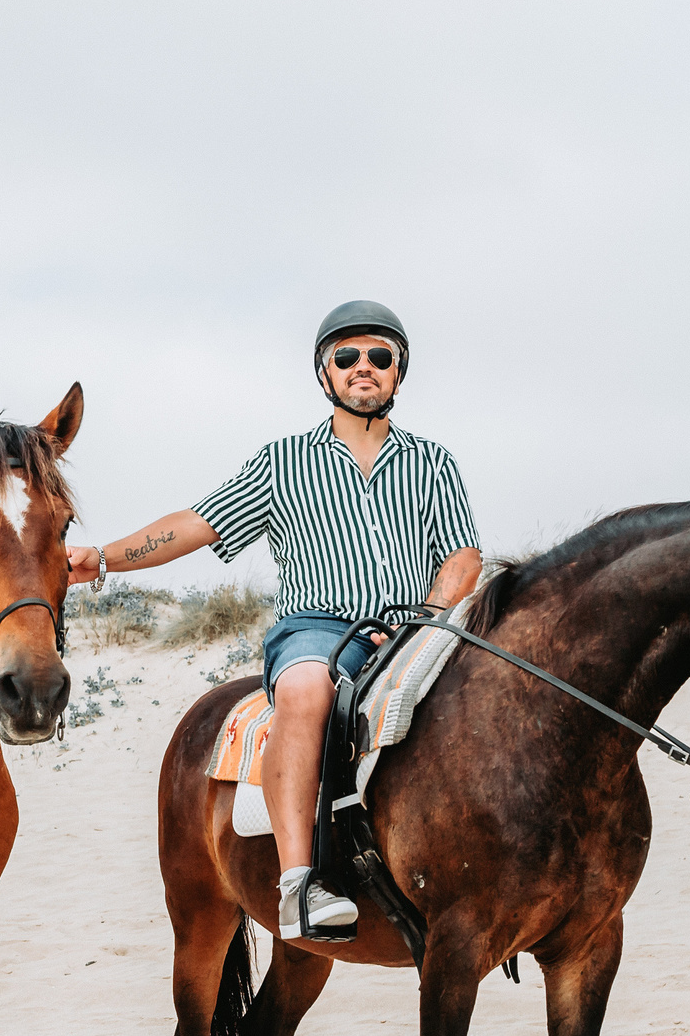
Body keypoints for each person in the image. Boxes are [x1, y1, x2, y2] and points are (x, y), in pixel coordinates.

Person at [66, 301, 481, 941]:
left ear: (399, 372)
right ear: (325, 376)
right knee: (307, 687)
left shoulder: (433, 462)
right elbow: (196, 525)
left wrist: (425, 618)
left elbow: (461, 556)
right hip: (318, 628)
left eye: (379, 356)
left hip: (413, 628)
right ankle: (298, 884)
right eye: (346, 357)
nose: (362, 367)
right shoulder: (283, 461)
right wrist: (105, 558)